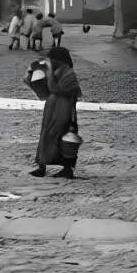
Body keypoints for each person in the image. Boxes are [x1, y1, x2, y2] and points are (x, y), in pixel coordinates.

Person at [32, 46, 82, 180]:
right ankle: (42, 166)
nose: (50, 61)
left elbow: (55, 88)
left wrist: (48, 72)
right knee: (46, 135)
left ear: (60, 60)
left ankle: (66, 170)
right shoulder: (58, 70)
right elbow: (43, 92)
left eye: (52, 58)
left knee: (60, 137)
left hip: (63, 109)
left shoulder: (69, 74)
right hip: (52, 107)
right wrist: (35, 71)